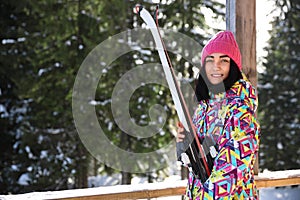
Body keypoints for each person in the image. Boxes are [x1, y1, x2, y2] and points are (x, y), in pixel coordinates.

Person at [176, 31, 260, 200]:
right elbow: (198, 163)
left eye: (224, 60)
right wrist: (184, 144)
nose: (216, 66)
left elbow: (230, 172)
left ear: (233, 66)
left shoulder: (240, 111)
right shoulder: (204, 107)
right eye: (210, 60)